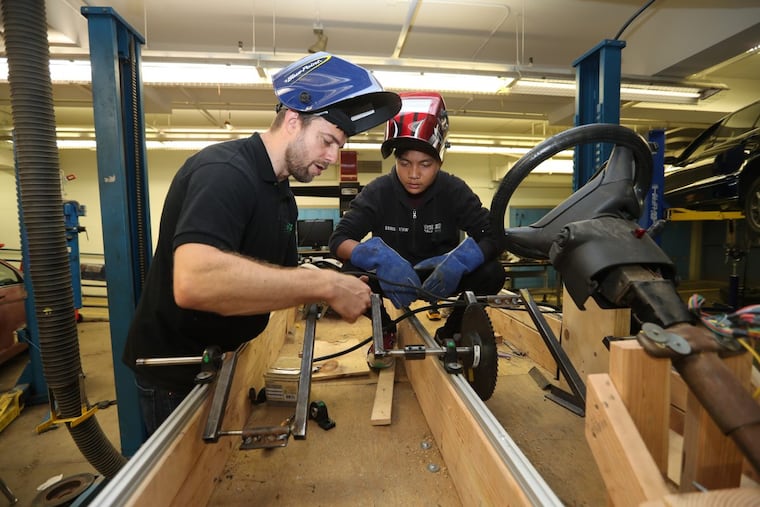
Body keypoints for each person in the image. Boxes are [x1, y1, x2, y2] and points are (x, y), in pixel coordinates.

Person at [123, 52, 402, 437]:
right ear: (292, 120)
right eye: (327, 141)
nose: (333, 157)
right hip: (176, 375)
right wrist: (323, 285)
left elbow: (284, 278)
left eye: (338, 145)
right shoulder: (225, 172)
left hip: (223, 360)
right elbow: (195, 283)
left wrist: (350, 277)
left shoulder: (281, 195)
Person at [328, 91, 506, 368]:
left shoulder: (453, 190)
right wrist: (374, 257)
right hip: (391, 279)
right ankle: (384, 328)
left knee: (493, 272)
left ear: (440, 161)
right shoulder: (378, 191)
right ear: (395, 161)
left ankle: (451, 332)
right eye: (404, 163)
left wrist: (461, 261)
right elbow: (339, 240)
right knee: (347, 275)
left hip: (439, 276)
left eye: (425, 164)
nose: (413, 174)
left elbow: (493, 235)